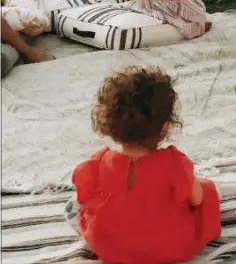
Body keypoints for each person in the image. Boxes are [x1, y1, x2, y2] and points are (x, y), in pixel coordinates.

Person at [67, 66, 221, 264]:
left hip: (110, 250)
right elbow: (197, 200)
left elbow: (86, 198)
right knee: (207, 189)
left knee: (76, 206)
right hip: (171, 248)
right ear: (165, 126)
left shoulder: (94, 166)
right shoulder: (175, 164)